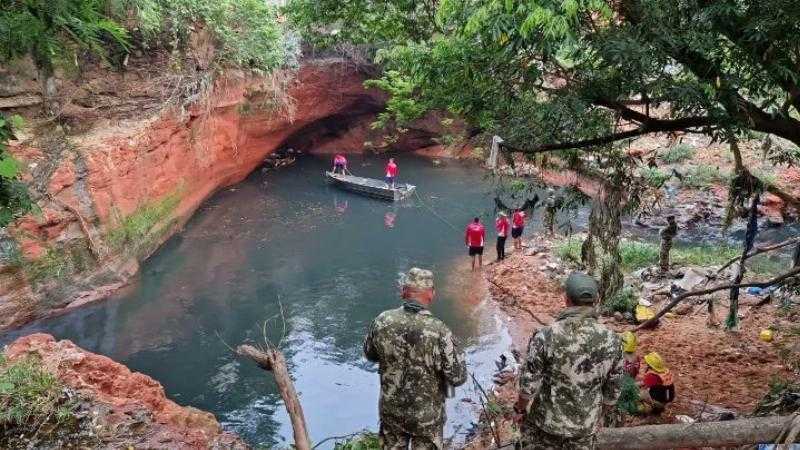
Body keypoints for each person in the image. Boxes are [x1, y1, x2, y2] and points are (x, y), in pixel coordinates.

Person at [515, 272, 624, 450]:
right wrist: (599, 415)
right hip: (585, 427)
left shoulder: (546, 336)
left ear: (566, 300)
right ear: (596, 301)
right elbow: (613, 391)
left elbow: (528, 386)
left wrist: (519, 409)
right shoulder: (612, 339)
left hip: (547, 426)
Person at [364, 268, 467, 450]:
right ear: (431, 294)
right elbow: (458, 377)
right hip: (427, 418)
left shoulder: (382, 321)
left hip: (392, 411)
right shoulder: (440, 330)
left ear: (404, 292)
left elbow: (370, 354)